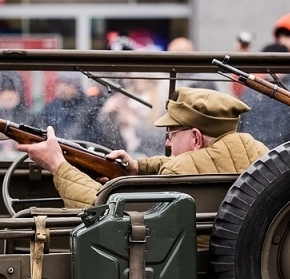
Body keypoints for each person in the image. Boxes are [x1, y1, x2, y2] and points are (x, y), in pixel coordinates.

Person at [16, 88, 268, 210]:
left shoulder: (179, 174)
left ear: (195, 138)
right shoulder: (262, 159)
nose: (167, 143)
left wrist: (58, 165)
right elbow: (205, 163)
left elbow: (104, 211)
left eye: (171, 134)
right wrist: (138, 168)